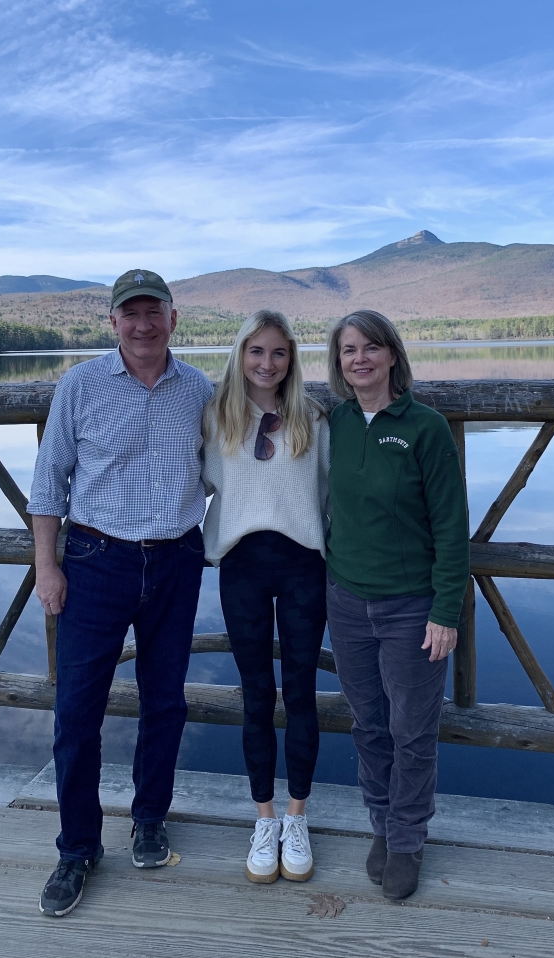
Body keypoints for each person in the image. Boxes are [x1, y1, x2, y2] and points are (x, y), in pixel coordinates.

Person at [28, 269, 213, 917]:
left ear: (172, 317)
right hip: (95, 560)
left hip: (176, 561)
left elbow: (228, 467)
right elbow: (50, 481)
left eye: (153, 311)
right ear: (112, 322)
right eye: (129, 313)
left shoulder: (199, 390)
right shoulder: (79, 384)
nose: (142, 324)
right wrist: (46, 567)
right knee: (77, 710)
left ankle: (150, 819)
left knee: (165, 702)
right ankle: (77, 848)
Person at [325, 310, 469, 901]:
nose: (358, 359)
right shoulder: (332, 422)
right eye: (347, 351)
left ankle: (408, 838)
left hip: (412, 607)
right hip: (346, 600)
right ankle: (381, 824)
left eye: (370, 348)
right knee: (369, 726)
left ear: (391, 355)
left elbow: (451, 527)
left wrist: (446, 609)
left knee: (413, 730)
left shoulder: (424, 428)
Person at [202, 309, 329, 884]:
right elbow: (201, 483)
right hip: (242, 568)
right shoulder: (217, 417)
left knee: (301, 691)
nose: (266, 363)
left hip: (303, 567)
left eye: (278, 353)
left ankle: (298, 816)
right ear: (240, 354)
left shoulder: (315, 418)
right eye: (256, 351)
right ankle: (264, 817)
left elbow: (333, 492)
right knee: (256, 693)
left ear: (292, 359)